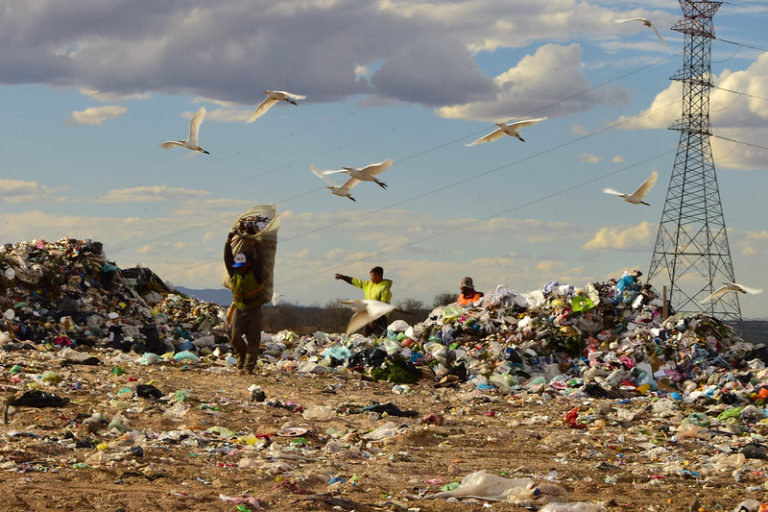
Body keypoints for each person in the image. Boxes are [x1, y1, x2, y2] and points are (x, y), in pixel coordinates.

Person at [224, 231, 265, 373]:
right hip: (239, 308)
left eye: (243, 266)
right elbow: (227, 258)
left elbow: (258, 259)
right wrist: (228, 241)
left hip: (254, 309)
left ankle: (249, 368)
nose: (240, 268)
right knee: (234, 337)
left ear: (247, 265)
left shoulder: (256, 274)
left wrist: (253, 242)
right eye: (238, 266)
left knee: (253, 340)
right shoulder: (233, 273)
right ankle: (241, 354)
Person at [335, 266, 392, 336]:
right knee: (365, 338)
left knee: (381, 339)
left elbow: (384, 307)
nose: (370, 278)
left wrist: (375, 319)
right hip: (369, 315)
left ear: (378, 276)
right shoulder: (368, 285)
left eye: (372, 276)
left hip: (380, 319)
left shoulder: (384, 288)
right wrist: (343, 277)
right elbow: (355, 282)